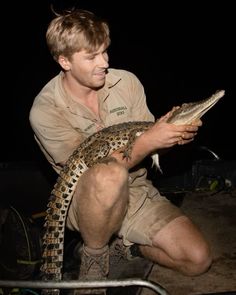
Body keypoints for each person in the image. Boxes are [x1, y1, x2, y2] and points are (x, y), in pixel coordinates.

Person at [29, 8, 212, 294]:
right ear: (64, 61)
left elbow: (152, 144)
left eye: (105, 51)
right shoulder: (45, 110)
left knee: (197, 259)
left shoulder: (126, 82)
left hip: (135, 189)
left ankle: (127, 248)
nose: (105, 62)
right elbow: (91, 168)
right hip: (85, 197)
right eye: (91, 56)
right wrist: (150, 141)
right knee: (108, 174)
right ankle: (94, 255)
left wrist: (172, 137)